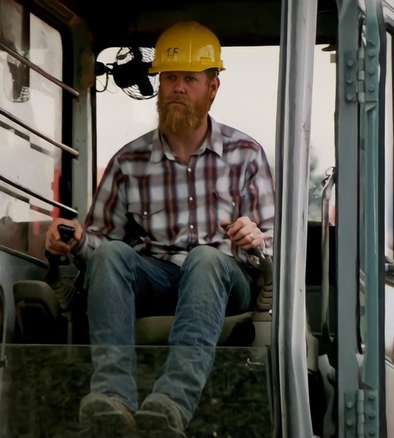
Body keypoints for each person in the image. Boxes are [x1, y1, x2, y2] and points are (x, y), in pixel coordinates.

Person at [44, 20, 275, 436]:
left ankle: (171, 403)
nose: (178, 88)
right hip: (159, 274)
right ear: (159, 85)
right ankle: (113, 399)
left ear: (212, 88)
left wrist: (256, 239)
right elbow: (103, 245)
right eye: (169, 78)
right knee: (114, 254)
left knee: (206, 258)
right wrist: (77, 241)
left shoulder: (246, 155)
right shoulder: (128, 161)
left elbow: (274, 248)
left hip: (225, 281)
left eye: (190, 78)